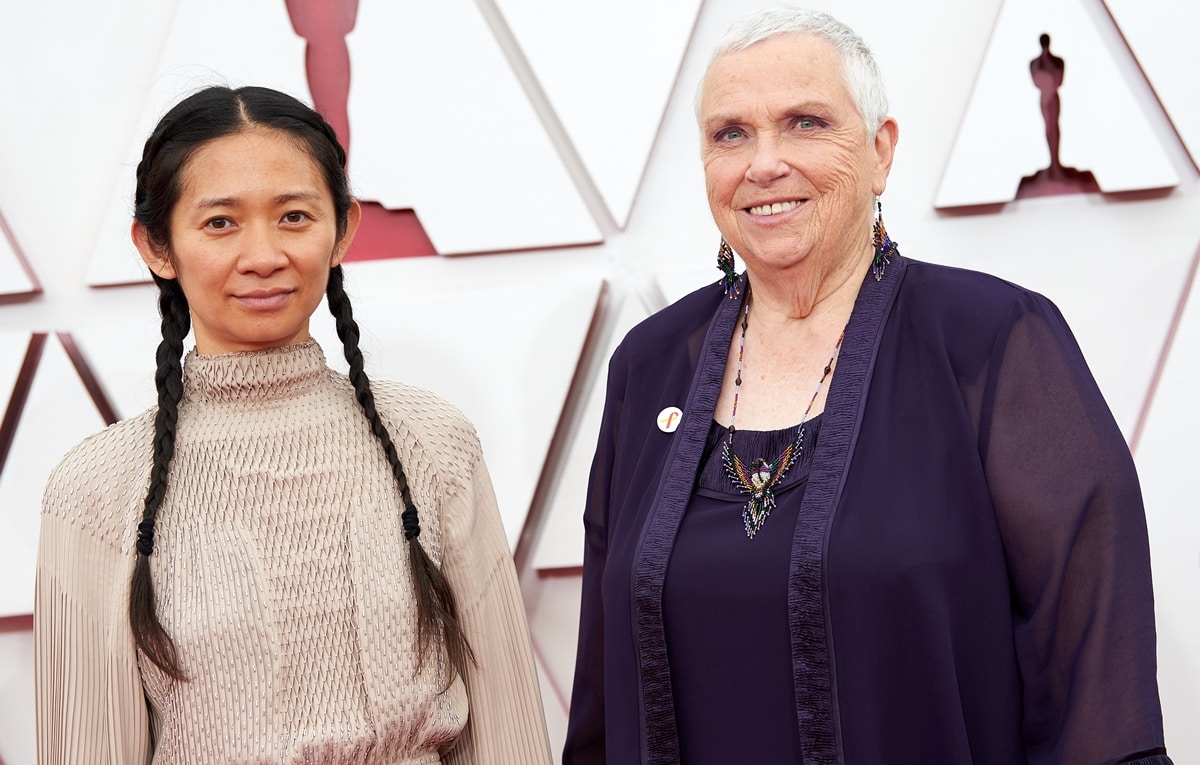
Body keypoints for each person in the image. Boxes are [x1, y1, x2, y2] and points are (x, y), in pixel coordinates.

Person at [563, 8, 1172, 765]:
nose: (764, 163)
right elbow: (600, 708)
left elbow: (1094, 697)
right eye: (731, 134)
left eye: (805, 122)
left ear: (880, 152)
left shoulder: (997, 344)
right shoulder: (647, 367)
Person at [35, 85, 551, 764]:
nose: (263, 255)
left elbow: (508, 731)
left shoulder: (431, 441)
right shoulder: (98, 487)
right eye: (221, 222)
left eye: (294, 216)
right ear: (157, 246)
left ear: (343, 228)